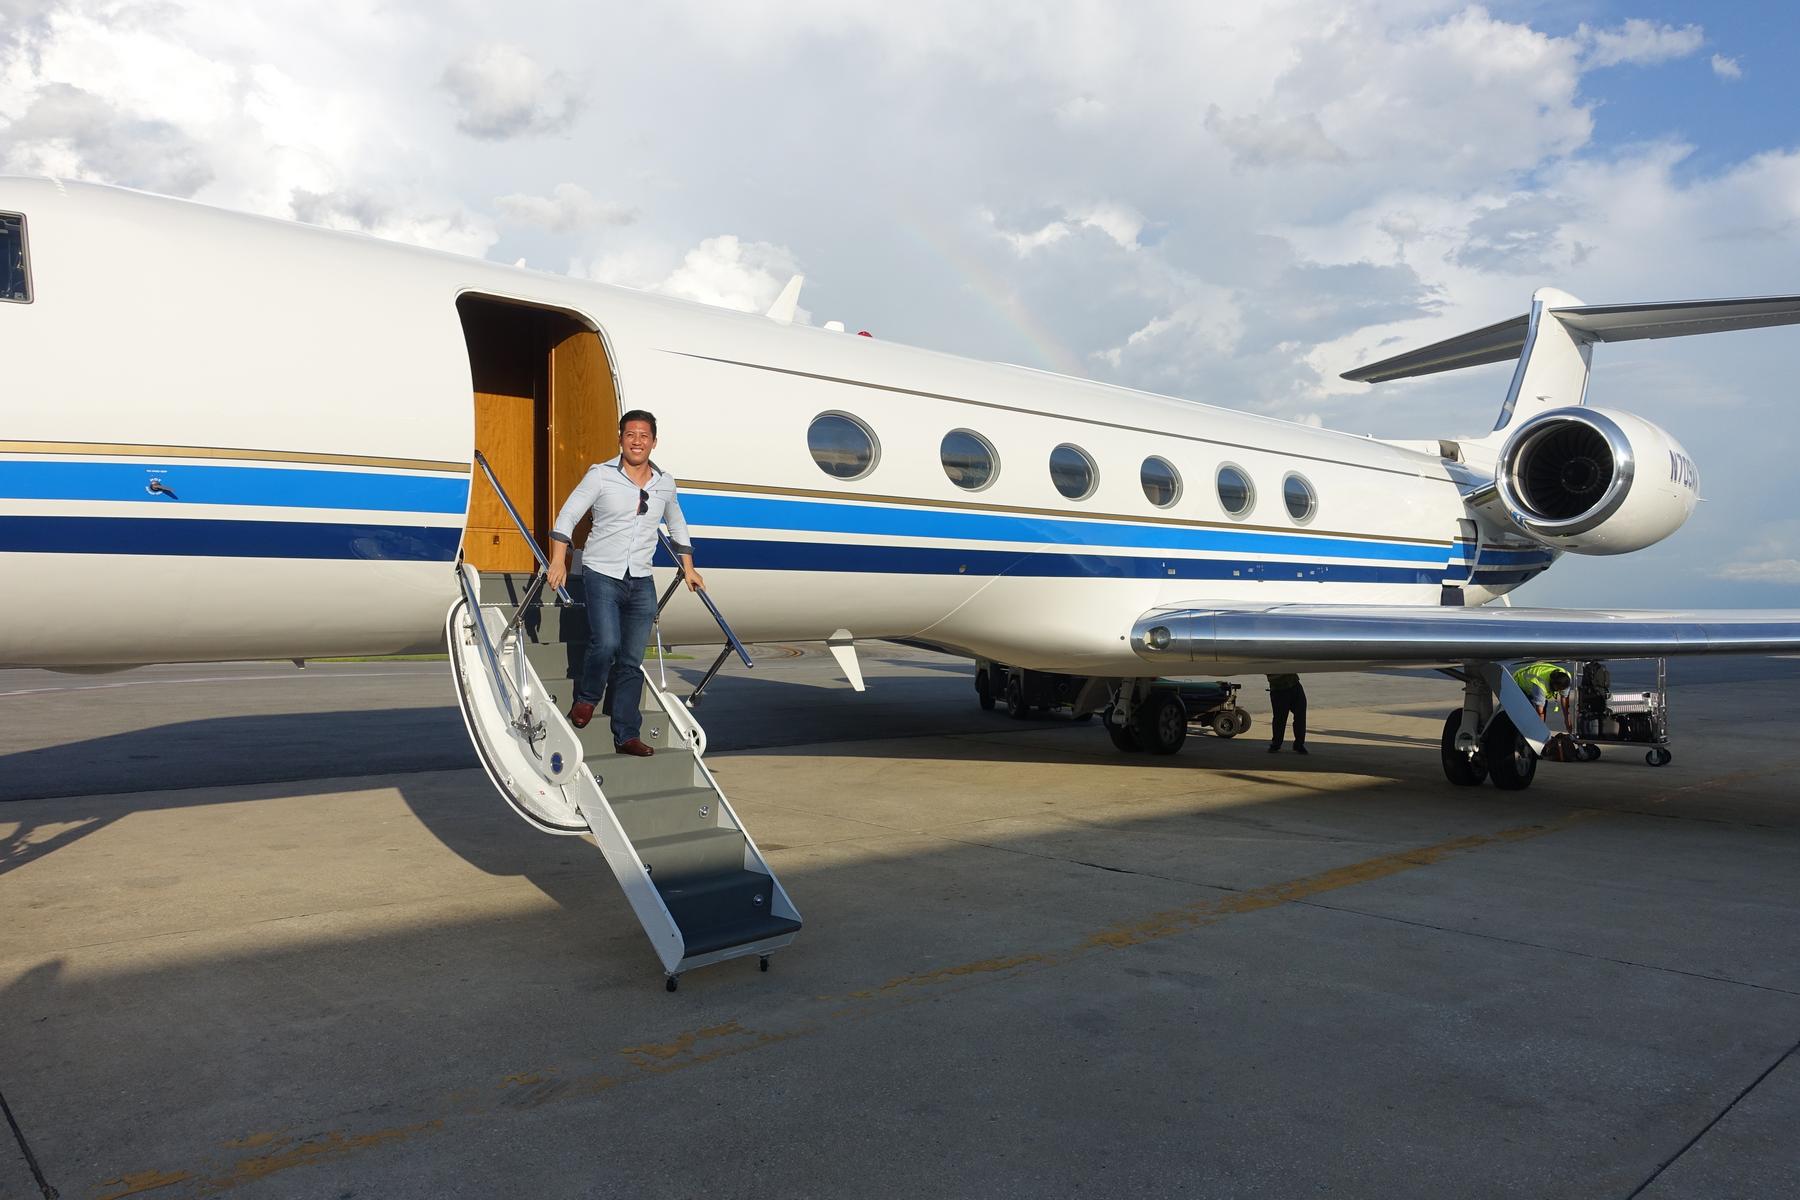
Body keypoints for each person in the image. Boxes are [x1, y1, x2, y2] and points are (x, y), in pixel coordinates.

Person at [546, 410, 704, 757]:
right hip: (602, 572)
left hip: (641, 579)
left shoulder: (665, 482)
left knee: (632, 659)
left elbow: (677, 525)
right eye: (630, 434)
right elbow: (568, 514)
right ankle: (587, 698)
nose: (637, 441)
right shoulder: (600, 476)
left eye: (643, 435)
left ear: (654, 442)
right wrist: (559, 558)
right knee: (606, 644)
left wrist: (688, 568)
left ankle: (626, 734)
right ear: (620, 439)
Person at [1512, 662, 1574, 734]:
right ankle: (1528, 733)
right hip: (1518, 682)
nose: (1561, 691)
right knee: (1530, 710)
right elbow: (1540, 712)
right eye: (1559, 689)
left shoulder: (1566, 677)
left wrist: (1567, 719)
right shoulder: (1540, 686)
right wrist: (1540, 733)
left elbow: (1564, 698)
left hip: (1537, 674)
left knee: (1543, 708)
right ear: (1554, 684)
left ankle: (1536, 731)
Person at [1266, 673, 1307, 754]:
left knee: (1300, 716)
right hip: (1279, 689)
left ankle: (1299, 744)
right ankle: (1276, 744)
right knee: (1279, 718)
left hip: (1294, 685)